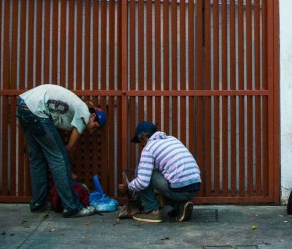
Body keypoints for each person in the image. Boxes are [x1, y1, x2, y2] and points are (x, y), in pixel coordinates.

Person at [16, 84, 107, 217]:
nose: (92, 131)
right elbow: (69, 148)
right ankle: (72, 207)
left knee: (37, 160)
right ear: (93, 116)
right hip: (37, 110)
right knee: (59, 159)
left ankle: (38, 203)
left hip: (24, 105)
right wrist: (70, 172)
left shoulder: (78, 108)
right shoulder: (84, 112)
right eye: (95, 126)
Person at [118, 121, 201, 223]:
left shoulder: (149, 148)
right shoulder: (172, 139)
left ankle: (151, 212)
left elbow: (142, 182)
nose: (141, 145)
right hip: (194, 189)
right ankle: (180, 206)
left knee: (141, 171)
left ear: (143, 136)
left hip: (179, 191)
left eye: (140, 141)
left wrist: (128, 186)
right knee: (167, 176)